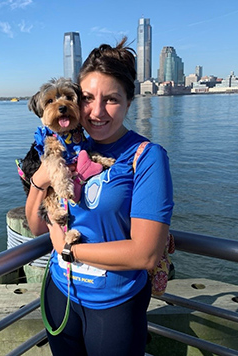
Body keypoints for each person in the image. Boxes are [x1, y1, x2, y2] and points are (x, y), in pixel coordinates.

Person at [25, 37, 174, 356]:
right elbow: (36, 228)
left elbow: (145, 254)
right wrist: (40, 178)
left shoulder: (146, 157)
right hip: (60, 293)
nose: (96, 112)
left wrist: (68, 251)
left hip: (114, 305)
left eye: (111, 100)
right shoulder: (70, 147)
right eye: (88, 98)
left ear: (129, 102)